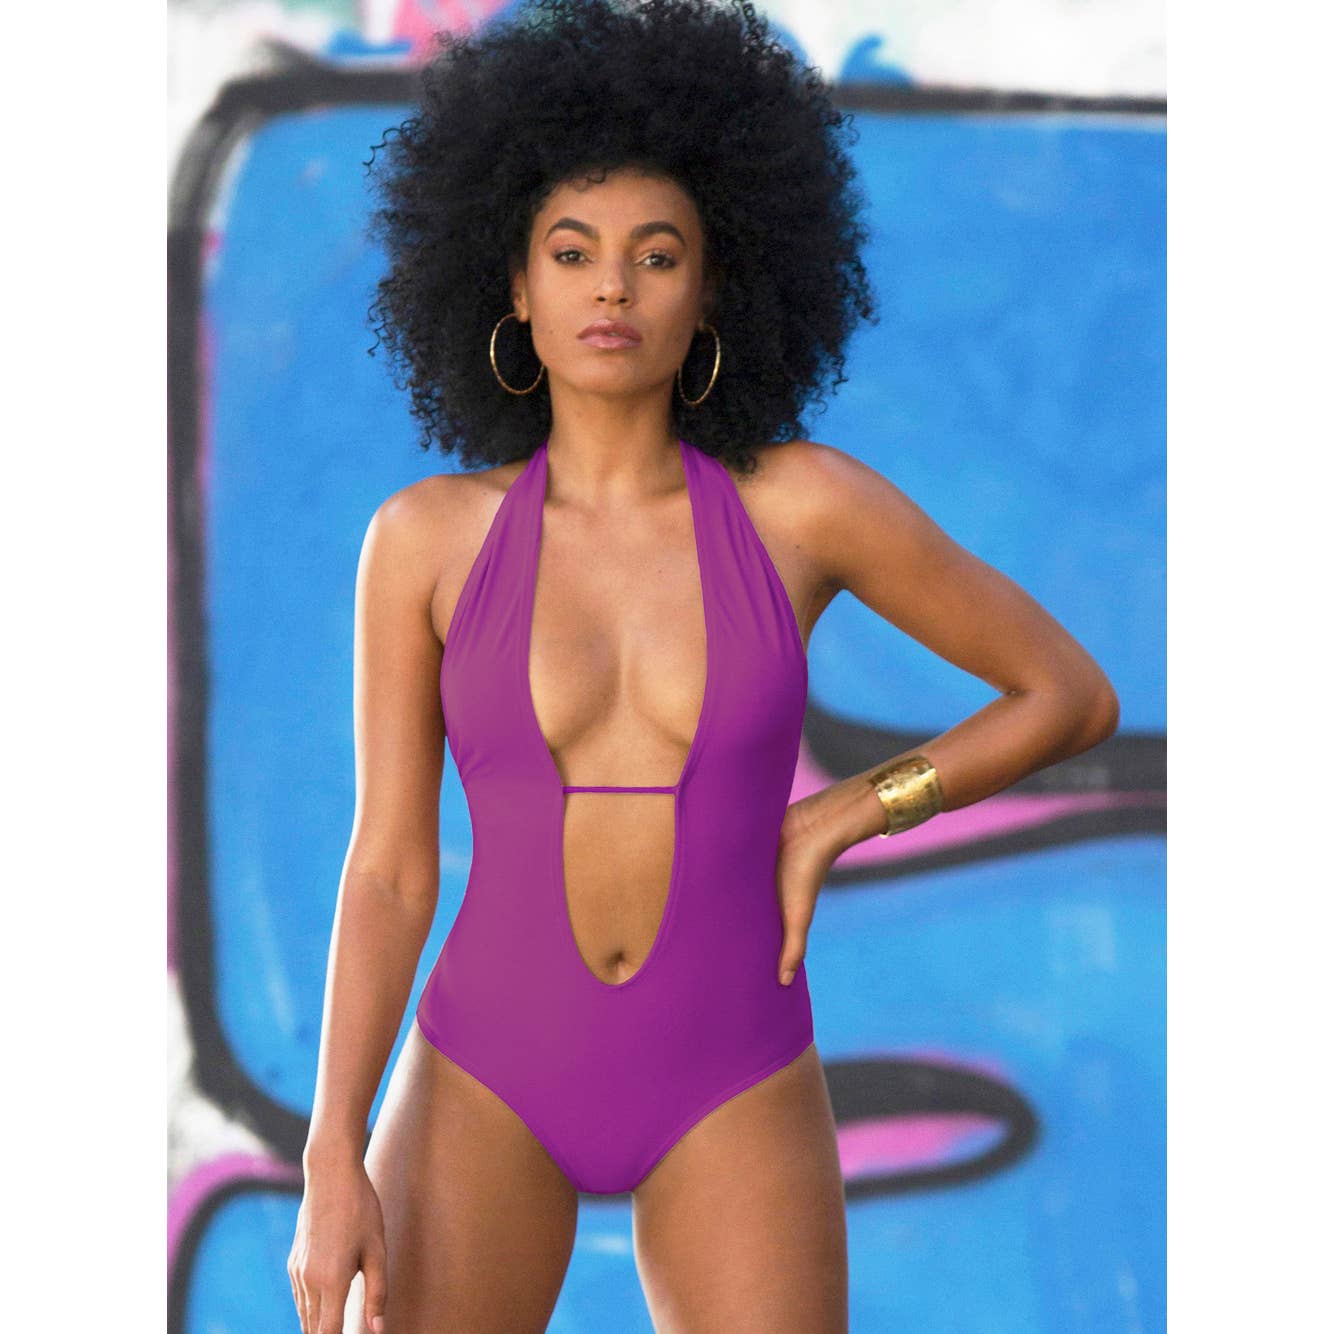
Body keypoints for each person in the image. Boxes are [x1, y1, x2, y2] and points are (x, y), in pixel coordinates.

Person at [286, 1, 1120, 1330]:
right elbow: (389, 864)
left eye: (656, 254)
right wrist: (330, 1152)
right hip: (486, 1069)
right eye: (572, 252)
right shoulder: (426, 540)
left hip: (732, 1072)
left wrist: (844, 814)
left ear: (714, 285)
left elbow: (1066, 694)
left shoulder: (803, 507)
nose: (612, 288)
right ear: (514, 286)